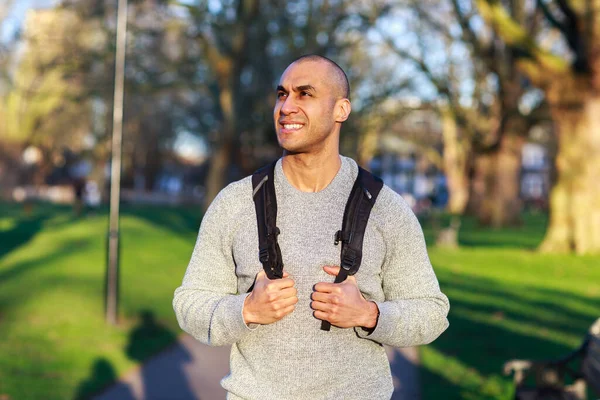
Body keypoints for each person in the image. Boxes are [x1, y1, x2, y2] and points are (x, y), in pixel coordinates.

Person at [173, 54, 450, 399]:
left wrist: (368, 314)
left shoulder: (386, 208)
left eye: (305, 94)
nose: (286, 106)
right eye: (282, 94)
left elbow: (432, 311)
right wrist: (245, 309)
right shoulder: (235, 202)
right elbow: (189, 303)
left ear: (341, 110)